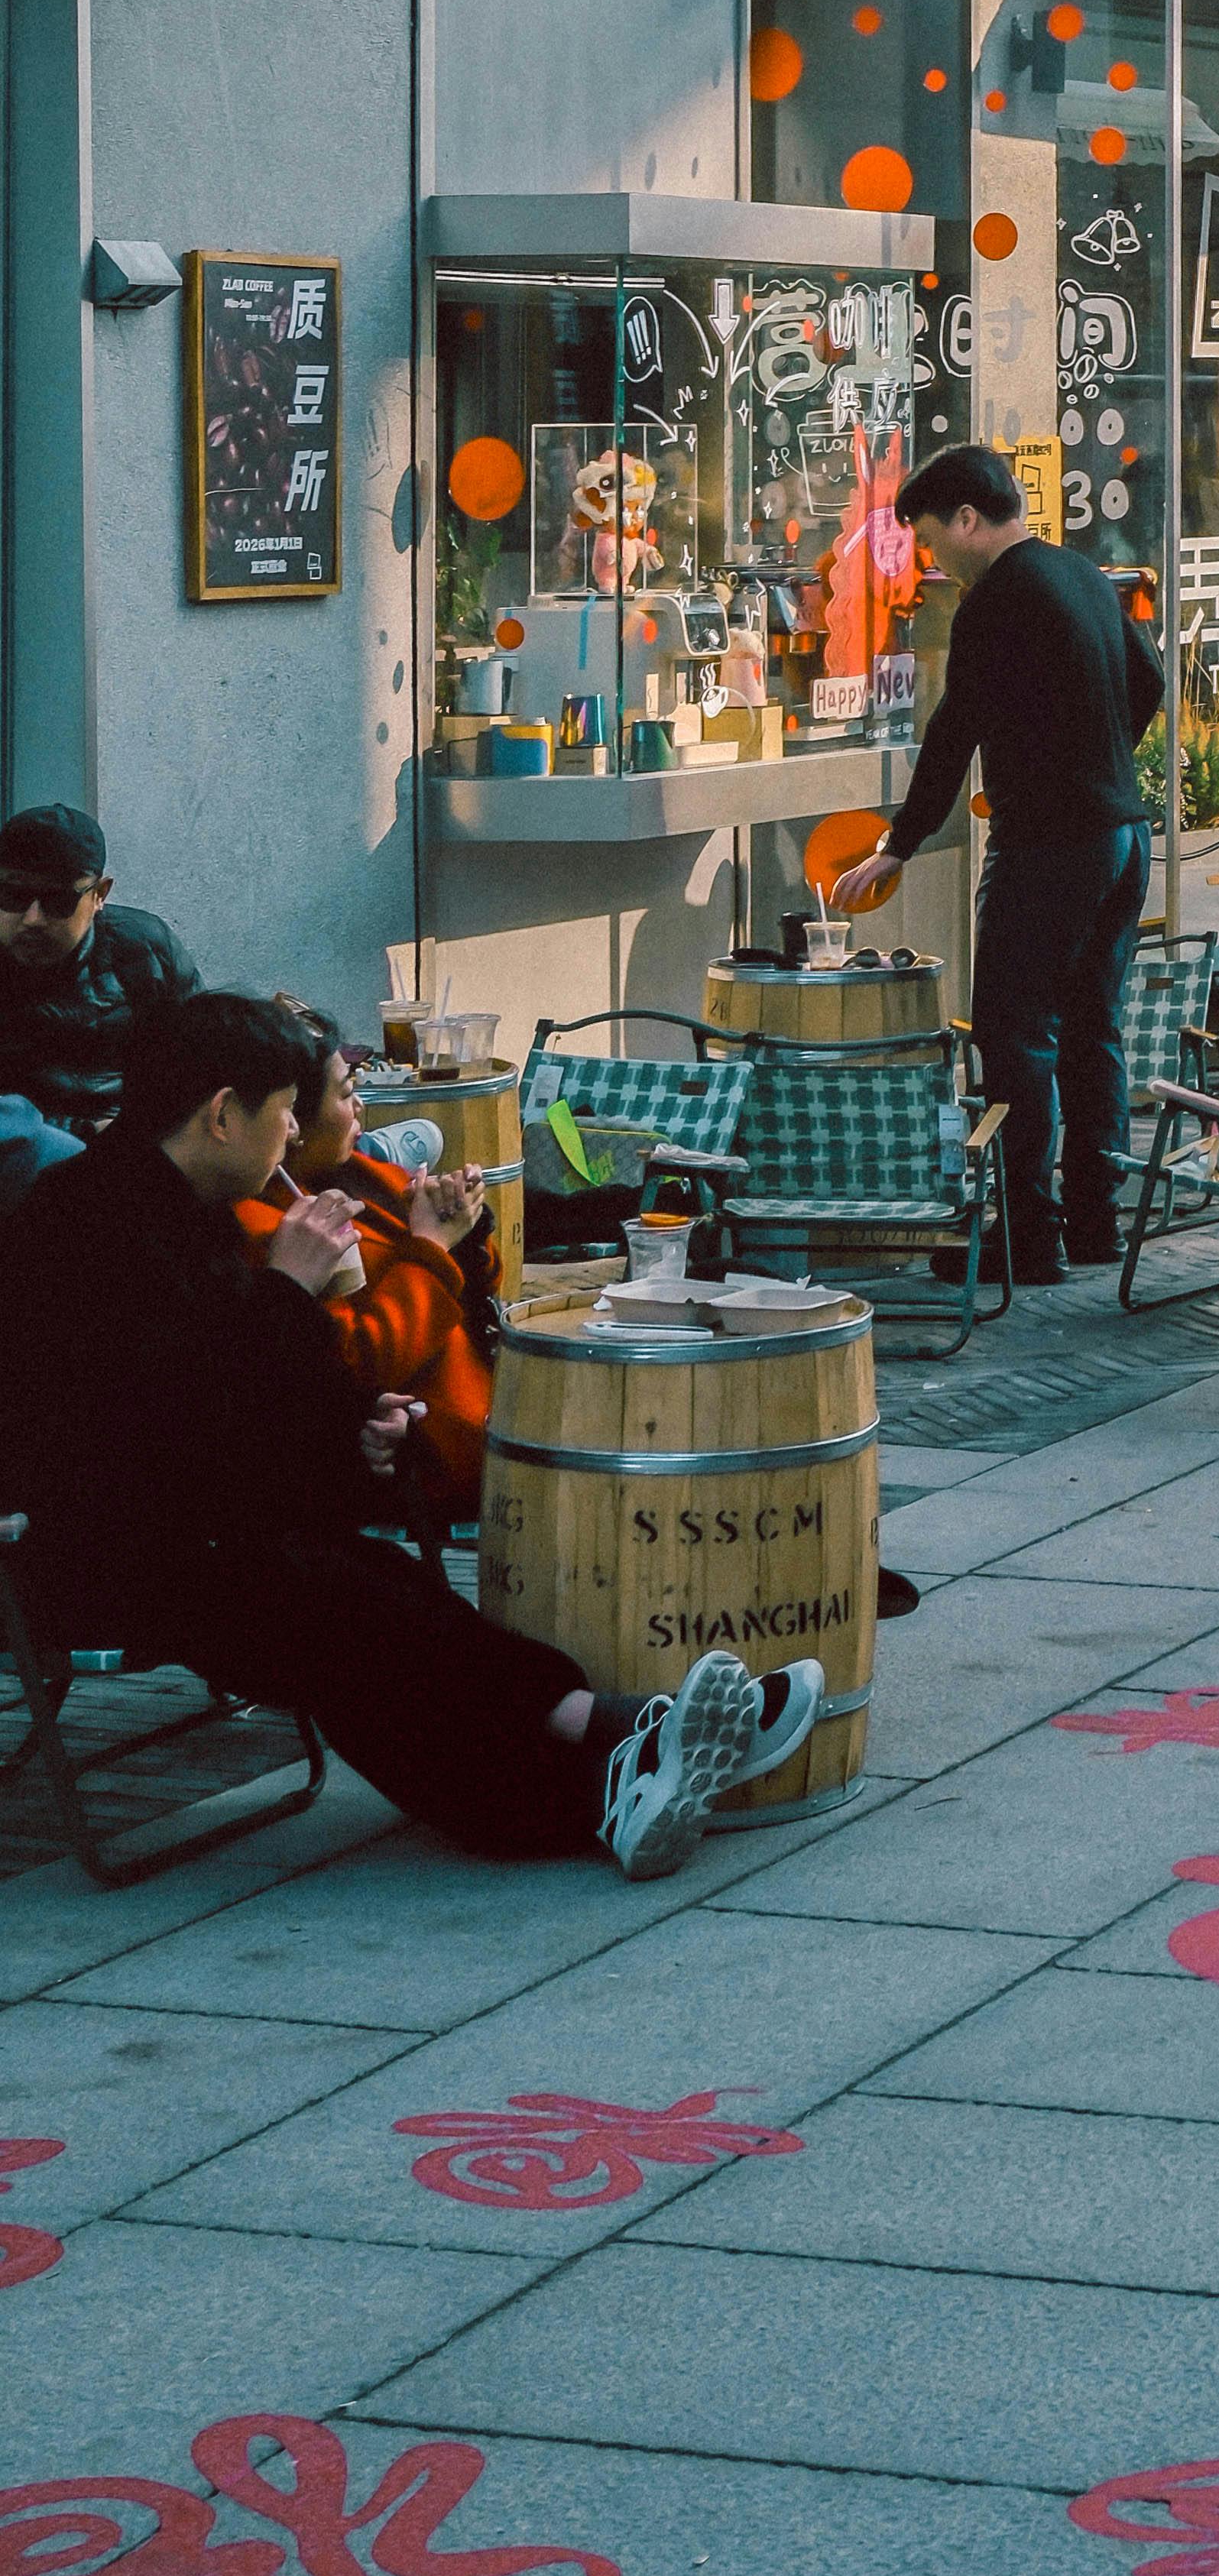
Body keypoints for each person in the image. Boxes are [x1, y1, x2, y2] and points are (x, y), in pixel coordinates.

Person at [0, 992, 816, 1869]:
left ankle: (612, 1760)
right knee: (340, 1612)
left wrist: (352, 1434)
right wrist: (288, 1292)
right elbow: (160, 1426)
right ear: (225, 1114)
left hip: (188, 1528)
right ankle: (606, 1757)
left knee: (364, 1594)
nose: (290, 1141)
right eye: (284, 1116)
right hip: (81, 1554)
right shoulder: (85, 1225)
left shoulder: (178, 1205)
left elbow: (234, 1415)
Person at [828, 443, 1162, 1285]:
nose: (933, 559)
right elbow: (1149, 677)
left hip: (1051, 846)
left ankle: (1026, 1239)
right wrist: (1103, 756)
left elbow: (952, 735)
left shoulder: (996, 601)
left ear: (969, 519)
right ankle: (1095, 1224)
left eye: (933, 538)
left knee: (1017, 1036)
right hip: (1124, 837)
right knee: (1095, 1032)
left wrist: (896, 844)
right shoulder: (1085, 575)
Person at [232, 1009, 502, 1519]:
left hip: (486, 1420)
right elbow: (360, 1362)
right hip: (428, 1465)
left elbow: (476, 1293)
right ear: (294, 1122)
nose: (360, 1106)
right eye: (344, 1092)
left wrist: (465, 1225)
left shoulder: (358, 1171)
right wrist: (431, 1245)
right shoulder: (269, 1226)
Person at [0, 800, 196, 1211]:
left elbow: (201, 1064)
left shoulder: (144, 951)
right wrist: (88, 1133)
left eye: (57, 900)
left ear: (100, 895)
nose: (32, 918)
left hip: (136, 1159)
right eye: (13, 894)